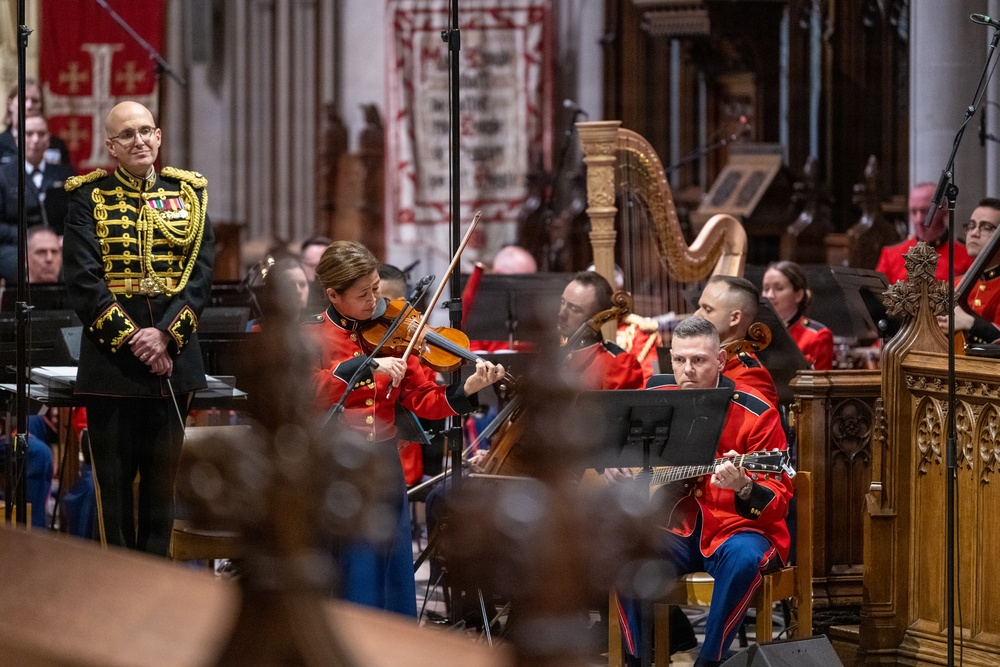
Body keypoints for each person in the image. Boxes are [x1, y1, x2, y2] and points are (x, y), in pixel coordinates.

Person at [307, 240, 505, 617]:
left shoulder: (394, 330)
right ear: (333, 295)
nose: (373, 300)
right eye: (363, 294)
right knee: (349, 566)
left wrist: (467, 389)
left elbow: (425, 398)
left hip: (382, 464)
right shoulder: (312, 335)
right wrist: (366, 367)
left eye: (376, 288)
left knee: (388, 565)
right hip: (335, 464)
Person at [63, 101, 215, 555]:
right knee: (111, 492)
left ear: (160, 135)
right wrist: (135, 338)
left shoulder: (189, 194)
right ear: (111, 146)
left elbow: (201, 274)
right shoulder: (88, 197)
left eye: (146, 131)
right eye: (127, 135)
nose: (140, 140)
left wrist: (166, 334)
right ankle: (115, 593)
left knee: (161, 494)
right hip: (113, 366)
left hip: (174, 362)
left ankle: (156, 596)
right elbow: (83, 279)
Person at [611, 316, 793, 667]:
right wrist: (615, 471)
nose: (687, 370)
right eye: (679, 360)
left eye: (699, 360)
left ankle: (709, 661)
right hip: (675, 526)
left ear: (721, 361)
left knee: (742, 560)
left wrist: (743, 486)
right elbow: (622, 454)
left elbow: (780, 498)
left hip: (739, 530)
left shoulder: (757, 413)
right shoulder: (655, 400)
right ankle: (636, 660)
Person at [0, 114, 75, 283]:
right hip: (16, 246)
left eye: (41, 134)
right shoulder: (4, 175)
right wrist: (27, 238)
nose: (35, 140)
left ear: (48, 140)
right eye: (29, 134)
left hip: (57, 244)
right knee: (20, 265)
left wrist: (67, 237)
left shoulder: (65, 174)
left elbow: (78, 217)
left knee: (76, 265)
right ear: (17, 140)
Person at [694, 274, 779, 406]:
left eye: (708, 309)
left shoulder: (750, 375)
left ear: (734, 318)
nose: (696, 315)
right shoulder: (712, 361)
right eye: (699, 307)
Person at [559, 271, 645, 390]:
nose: (561, 314)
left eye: (574, 309)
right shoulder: (554, 353)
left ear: (597, 316)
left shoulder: (618, 364)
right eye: (563, 302)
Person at [876, 182, 973, 284]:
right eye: (913, 212)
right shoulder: (890, 255)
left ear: (944, 211)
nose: (919, 220)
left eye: (926, 212)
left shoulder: (967, 256)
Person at [936, 198, 1000, 344]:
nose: (974, 233)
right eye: (971, 225)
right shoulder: (955, 284)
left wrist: (971, 323)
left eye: (986, 227)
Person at [762, 261, 834, 370]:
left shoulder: (817, 336)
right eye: (766, 289)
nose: (769, 295)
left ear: (798, 295)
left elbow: (820, 384)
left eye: (779, 288)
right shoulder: (756, 331)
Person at [0, 79, 72, 167]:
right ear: (10, 104)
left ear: (41, 106)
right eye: (23, 99)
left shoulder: (56, 145)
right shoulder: (1, 143)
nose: (29, 105)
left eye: (35, 101)